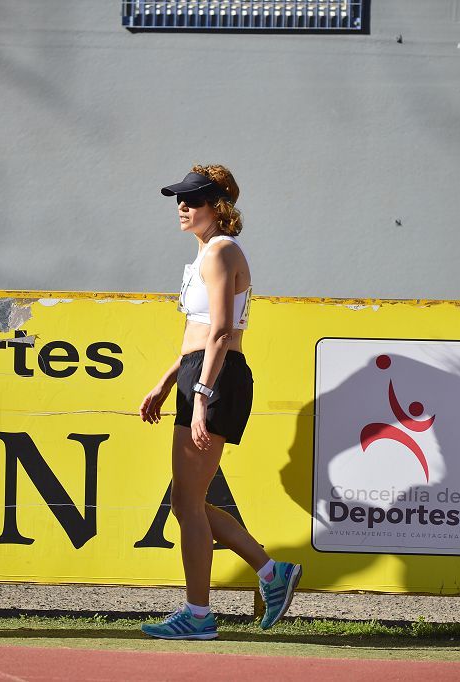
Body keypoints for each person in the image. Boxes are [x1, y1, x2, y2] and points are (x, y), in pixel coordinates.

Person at [139, 165, 302, 640]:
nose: (182, 207)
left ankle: (199, 614)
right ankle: (271, 572)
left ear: (219, 206)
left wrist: (202, 395)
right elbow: (198, 336)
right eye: (179, 199)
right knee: (187, 501)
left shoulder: (222, 251)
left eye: (193, 199)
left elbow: (223, 332)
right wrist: (168, 382)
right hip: (201, 373)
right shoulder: (208, 255)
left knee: (187, 503)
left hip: (216, 378)